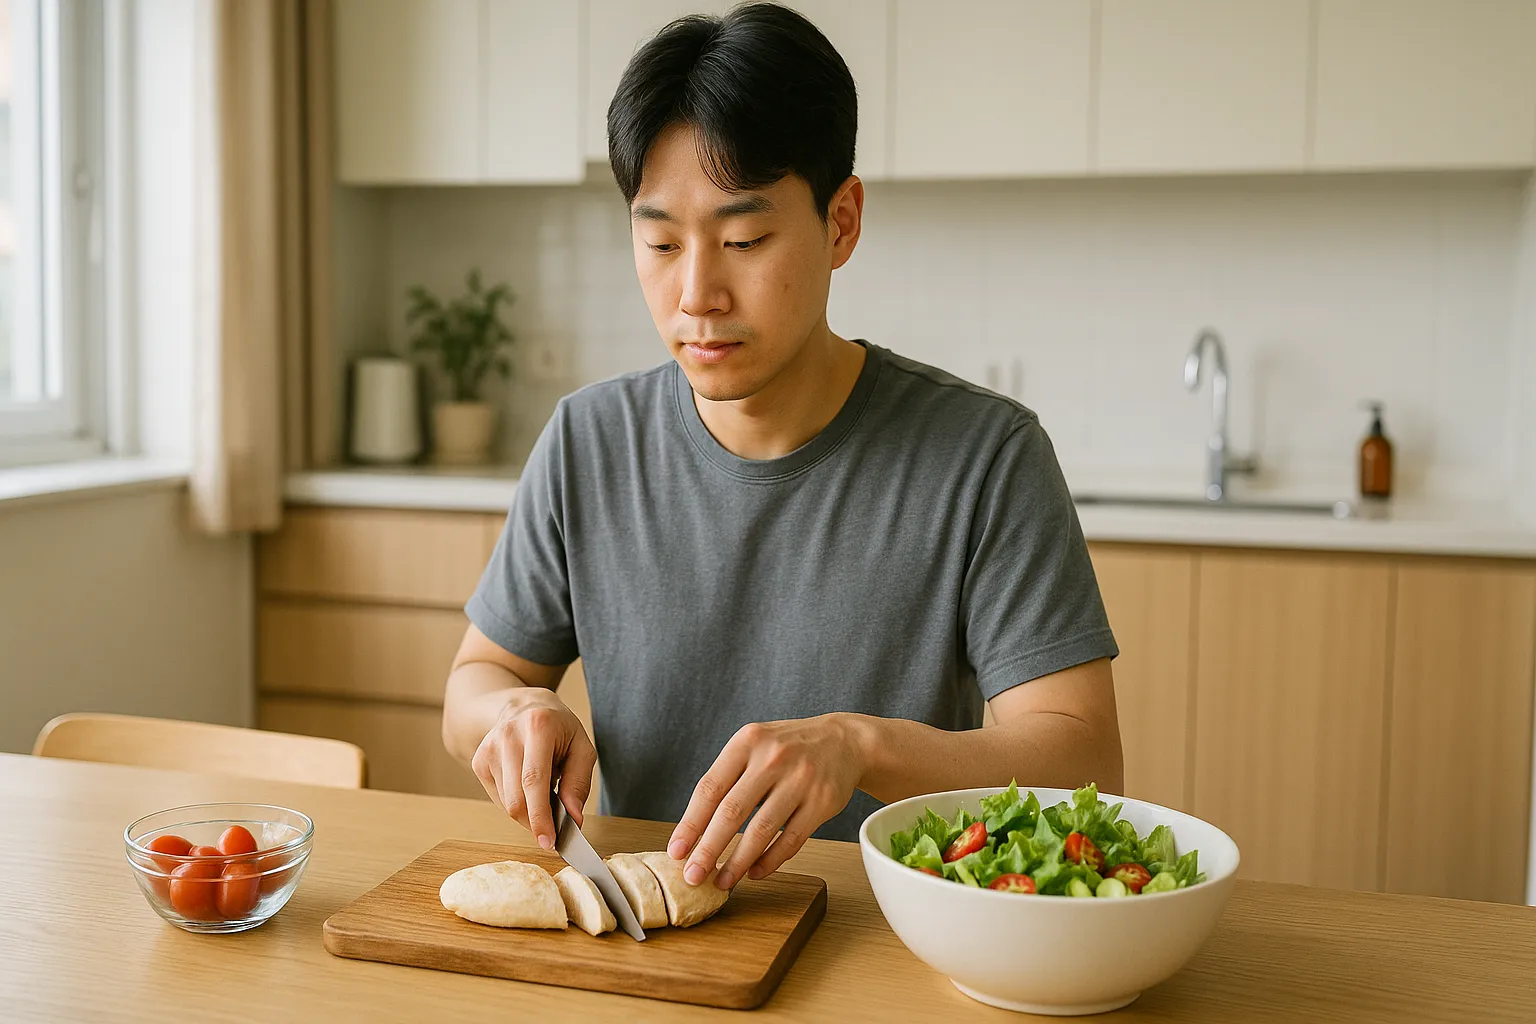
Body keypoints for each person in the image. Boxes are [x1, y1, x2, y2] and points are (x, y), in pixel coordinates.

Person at [441, 2, 1122, 894]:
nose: (696, 293)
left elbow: (1086, 766)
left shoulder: (985, 457)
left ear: (841, 223)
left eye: (744, 240)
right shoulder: (588, 441)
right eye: (658, 242)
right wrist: (517, 709)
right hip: (657, 943)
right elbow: (474, 681)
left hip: (890, 932)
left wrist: (860, 745)